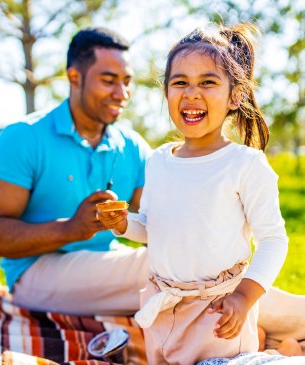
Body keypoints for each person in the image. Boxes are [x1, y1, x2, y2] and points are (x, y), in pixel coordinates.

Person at [97, 23, 288, 364]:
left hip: (219, 313)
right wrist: (123, 223)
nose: (191, 93)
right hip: (161, 304)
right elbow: (154, 229)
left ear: (235, 96)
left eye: (208, 83)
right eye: (180, 82)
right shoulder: (158, 161)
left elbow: (274, 240)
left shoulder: (244, 164)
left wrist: (244, 298)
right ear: (167, 93)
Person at [0, 27, 151, 315]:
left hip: (108, 261)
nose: (122, 93)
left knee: (188, 266)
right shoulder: (22, 138)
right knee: (167, 272)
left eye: (127, 82)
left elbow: (155, 220)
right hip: (36, 271)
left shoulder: (133, 147)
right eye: (109, 80)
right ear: (74, 77)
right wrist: (70, 228)